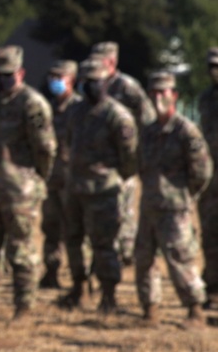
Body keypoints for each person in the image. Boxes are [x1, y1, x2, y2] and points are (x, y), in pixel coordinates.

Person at [0, 45, 56, 321]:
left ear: (21, 73)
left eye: (9, 75)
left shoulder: (32, 103)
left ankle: (24, 307)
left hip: (20, 190)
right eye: (0, 74)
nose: (4, 80)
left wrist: (34, 179)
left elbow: (45, 149)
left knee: (21, 250)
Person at [58, 57, 138, 314]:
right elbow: (69, 143)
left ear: (105, 83)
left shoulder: (117, 116)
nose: (91, 86)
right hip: (76, 188)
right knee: (73, 240)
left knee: (104, 245)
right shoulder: (76, 112)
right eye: (87, 82)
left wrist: (115, 179)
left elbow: (130, 157)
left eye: (96, 82)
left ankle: (108, 295)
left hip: (104, 191)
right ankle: (79, 287)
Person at [136, 71, 213, 327]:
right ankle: (150, 310)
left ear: (174, 96)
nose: (159, 97)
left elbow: (202, 171)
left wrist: (185, 194)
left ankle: (195, 310)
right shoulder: (147, 132)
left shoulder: (185, 132)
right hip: (149, 205)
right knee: (144, 259)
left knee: (180, 260)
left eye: (164, 92)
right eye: (154, 92)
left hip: (175, 207)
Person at [90, 41, 156, 266]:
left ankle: (127, 252)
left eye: (101, 60)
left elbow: (148, 118)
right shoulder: (93, 85)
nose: (96, 64)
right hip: (101, 158)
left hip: (125, 155)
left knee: (125, 207)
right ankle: (112, 249)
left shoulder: (127, 86)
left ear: (112, 61)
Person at [40, 60, 82, 290]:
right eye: (51, 77)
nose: (54, 82)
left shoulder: (79, 109)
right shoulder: (47, 108)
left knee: (75, 229)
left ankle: (80, 278)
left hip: (73, 180)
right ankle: (51, 271)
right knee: (50, 227)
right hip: (51, 178)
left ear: (71, 80)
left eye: (60, 77)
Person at [196, 47, 218, 308]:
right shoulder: (204, 100)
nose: (214, 71)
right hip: (211, 179)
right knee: (210, 235)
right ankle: (213, 288)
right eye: (211, 66)